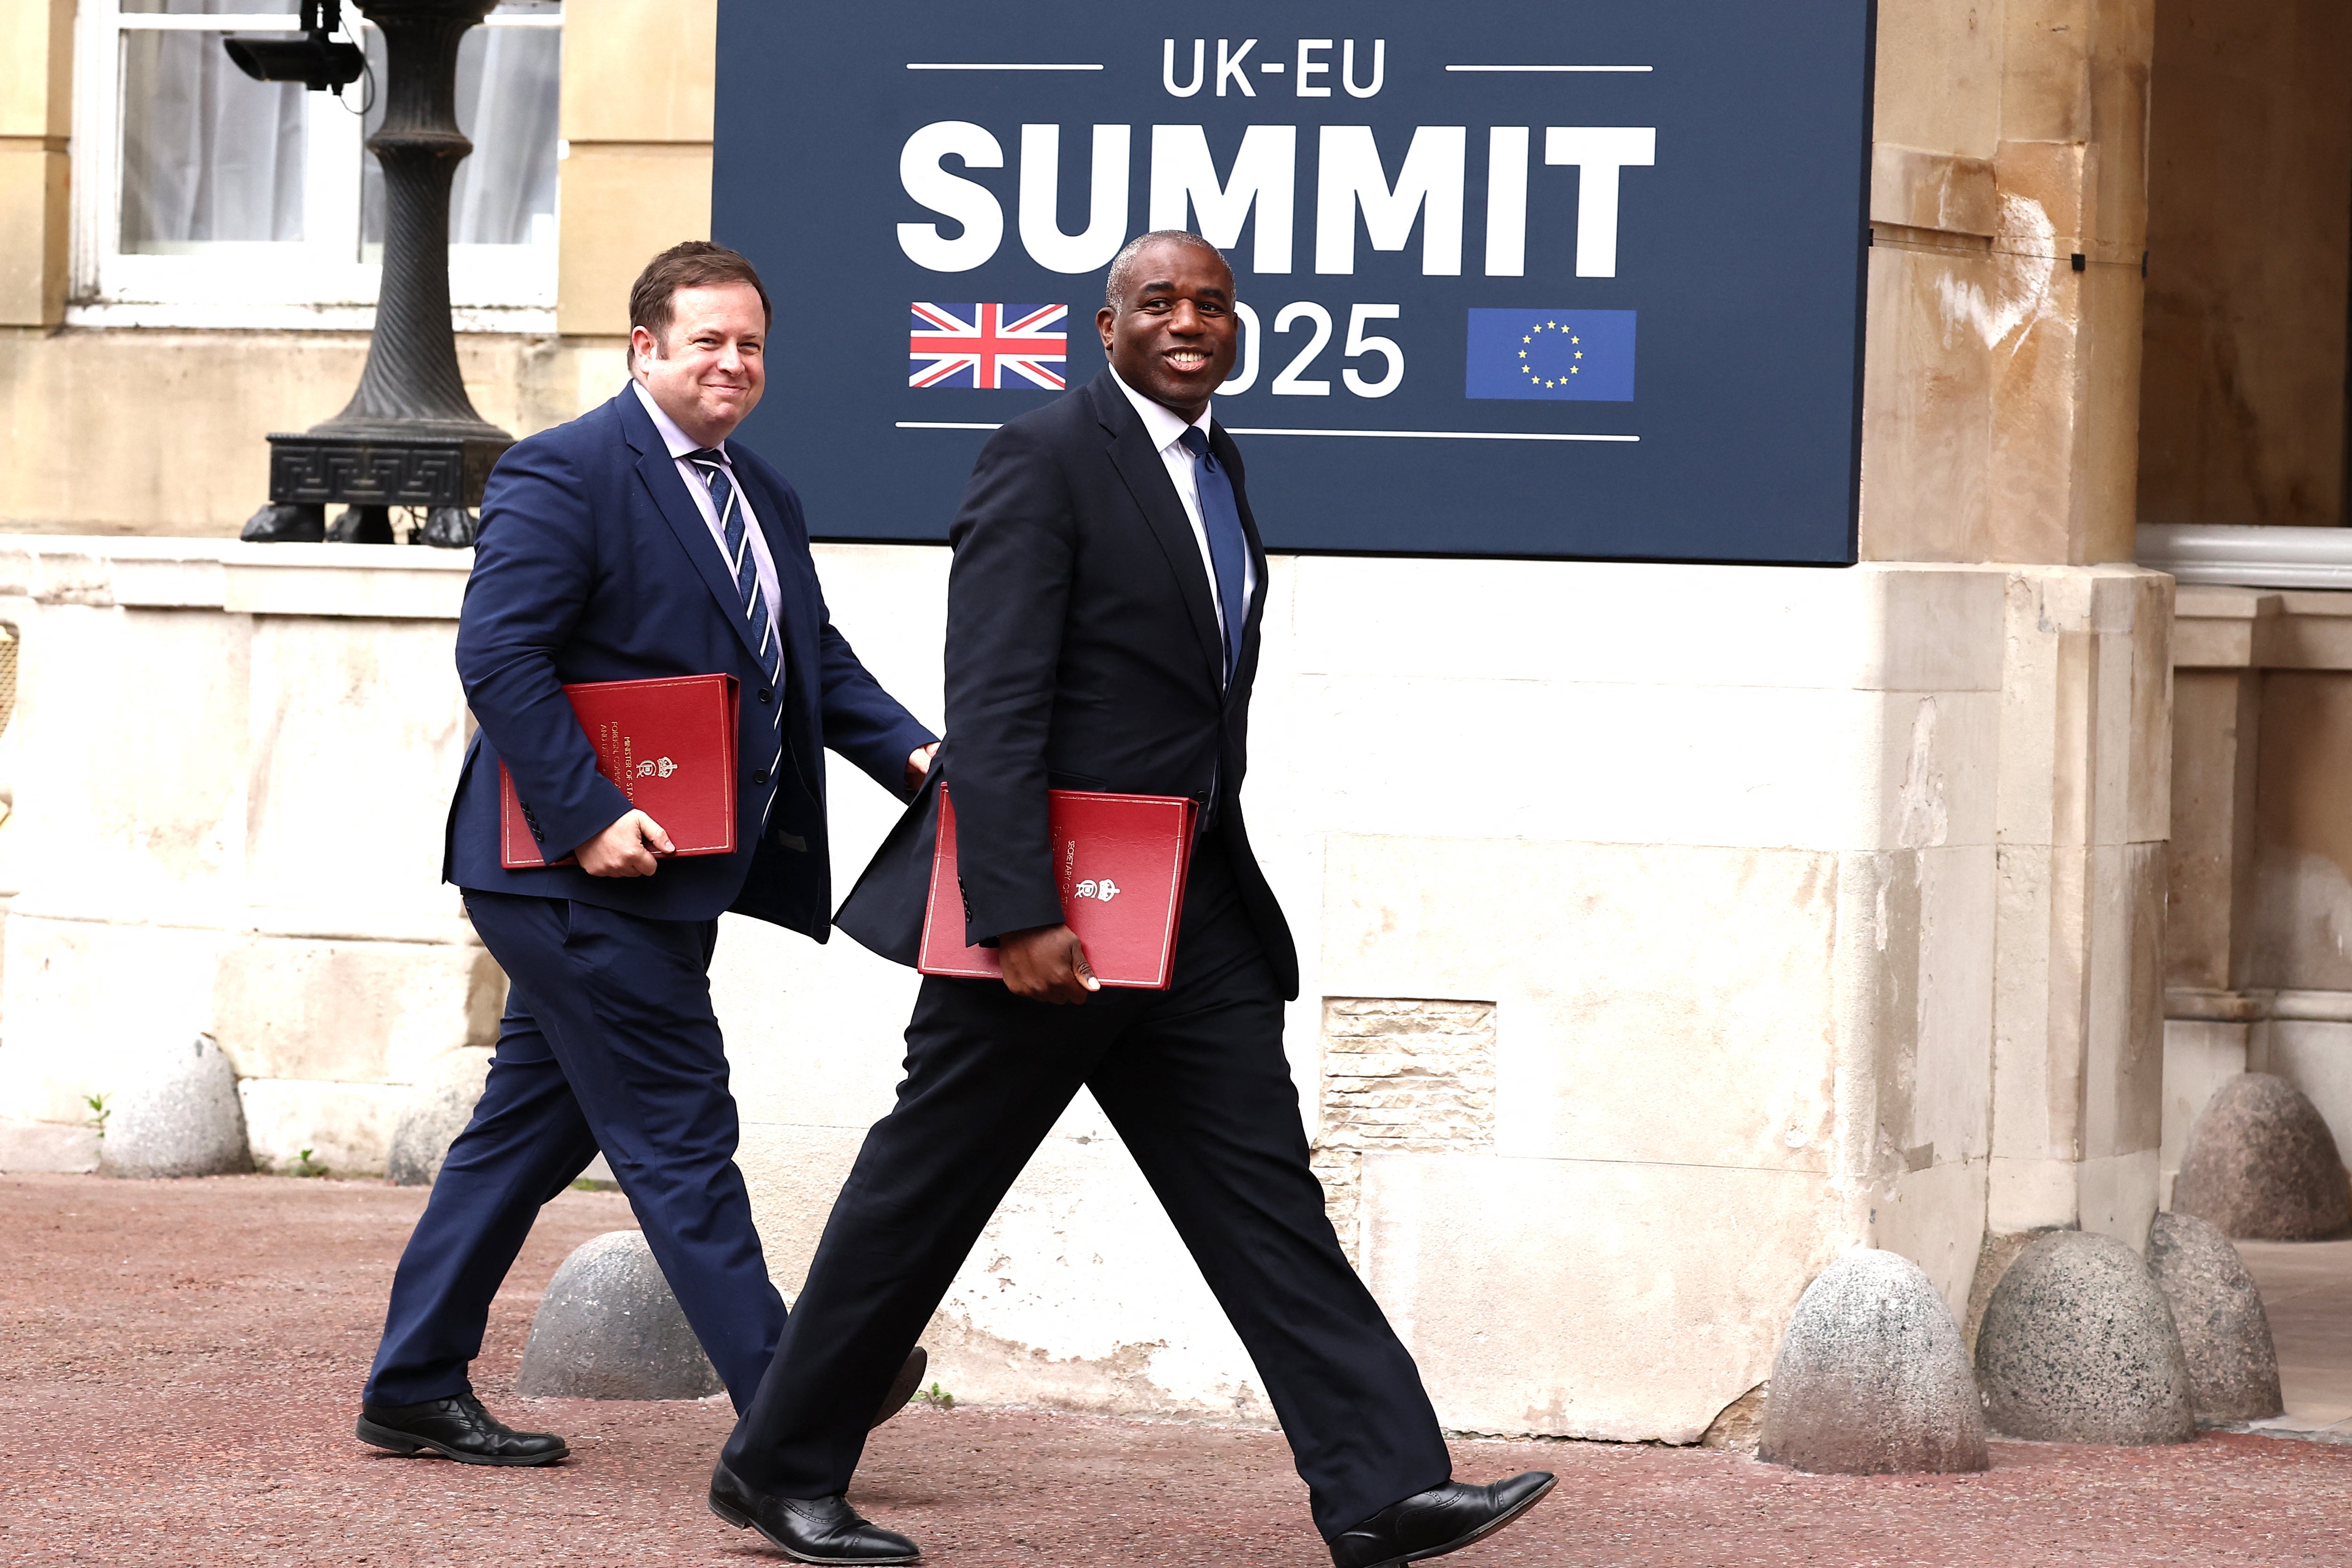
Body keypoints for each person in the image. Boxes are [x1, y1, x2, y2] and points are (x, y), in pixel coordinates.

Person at [707, 232, 1554, 1567]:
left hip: (1192, 905)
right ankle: (779, 1468)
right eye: (1158, 301)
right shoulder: (1045, 455)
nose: (1190, 321)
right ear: (1106, 328)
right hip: (1052, 912)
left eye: (1213, 304)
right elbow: (995, 698)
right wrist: (1015, 907)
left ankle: (1383, 1487)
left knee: (1264, 1195)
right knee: (926, 1189)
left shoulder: (1218, 465)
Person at [356, 241, 938, 1466]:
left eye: (750, 345)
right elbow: (500, 655)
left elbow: (810, 660)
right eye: (707, 340)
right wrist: (586, 814)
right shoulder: (563, 470)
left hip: (672, 874)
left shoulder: (762, 493)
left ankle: (412, 1383)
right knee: (681, 1132)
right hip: (571, 875)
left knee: (527, 1132)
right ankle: (791, 1406)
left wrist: (914, 757)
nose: (732, 363)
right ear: (646, 347)